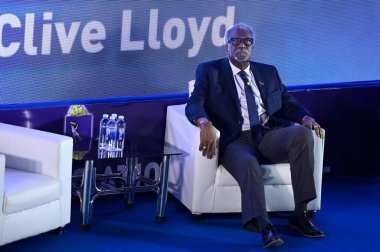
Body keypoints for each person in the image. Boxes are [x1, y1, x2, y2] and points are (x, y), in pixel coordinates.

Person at [185, 23, 325, 248]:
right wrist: (204, 123)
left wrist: (305, 118)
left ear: (253, 46)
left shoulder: (268, 72)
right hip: (236, 141)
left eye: (247, 41)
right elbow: (194, 103)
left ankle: (300, 215)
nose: (242, 45)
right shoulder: (209, 71)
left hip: (268, 135)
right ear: (226, 47)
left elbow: (287, 103)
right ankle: (264, 226)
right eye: (236, 41)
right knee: (249, 164)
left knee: (301, 134)